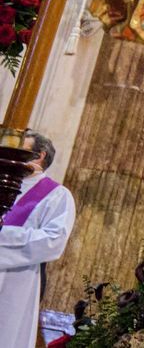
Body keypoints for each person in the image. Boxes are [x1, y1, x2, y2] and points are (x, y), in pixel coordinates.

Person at [1, 131, 76, 348]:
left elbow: (53, 242)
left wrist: (3, 235)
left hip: (16, 280)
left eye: (19, 151)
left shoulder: (57, 195)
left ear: (39, 156)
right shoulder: (3, 182)